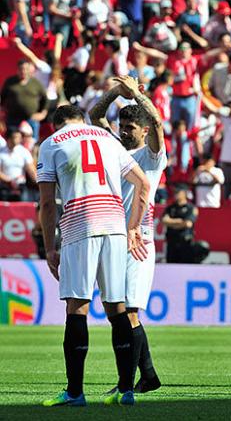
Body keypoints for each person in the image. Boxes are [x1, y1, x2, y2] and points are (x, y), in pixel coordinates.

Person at [38, 105, 150, 407]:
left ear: (56, 125)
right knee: (117, 307)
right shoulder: (107, 137)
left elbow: (47, 203)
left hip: (79, 226)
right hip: (114, 226)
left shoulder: (52, 143)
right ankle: (126, 390)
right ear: (82, 120)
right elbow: (144, 183)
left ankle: (75, 392)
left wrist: (50, 247)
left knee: (77, 307)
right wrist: (134, 227)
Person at [90, 76, 167, 395]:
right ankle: (147, 375)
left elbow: (159, 122)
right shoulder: (113, 149)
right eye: (121, 126)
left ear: (144, 131)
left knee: (130, 311)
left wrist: (137, 95)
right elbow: (94, 117)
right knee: (116, 313)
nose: (123, 131)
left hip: (139, 240)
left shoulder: (151, 157)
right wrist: (115, 94)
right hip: (112, 236)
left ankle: (127, 385)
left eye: (130, 128)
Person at [1, 59, 48, 137]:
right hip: (12, 120)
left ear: (29, 70)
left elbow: (45, 99)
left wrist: (43, 113)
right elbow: (2, 98)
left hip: (31, 119)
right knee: (12, 143)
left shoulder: (35, 83)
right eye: (21, 69)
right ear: (17, 70)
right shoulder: (10, 82)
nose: (23, 71)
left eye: (26, 69)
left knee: (32, 143)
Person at [162, 187, 200, 264]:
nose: (175, 195)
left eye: (178, 193)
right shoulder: (170, 208)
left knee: (186, 265)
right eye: (175, 193)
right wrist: (180, 222)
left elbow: (188, 224)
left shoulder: (191, 208)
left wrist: (171, 223)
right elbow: (164, 220)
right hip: (171, 242)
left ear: (184, 193)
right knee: (171, 266)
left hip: (185, 242)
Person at [0, 129, 36, 201]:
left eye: (20, 137)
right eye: (16, 137)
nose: (19, 139)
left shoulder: (24, 152)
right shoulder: (1, 152)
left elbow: (31, 170)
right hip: (4, 188)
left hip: (21, 187)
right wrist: (9, 181)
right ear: (9, 138)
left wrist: (38, 181)